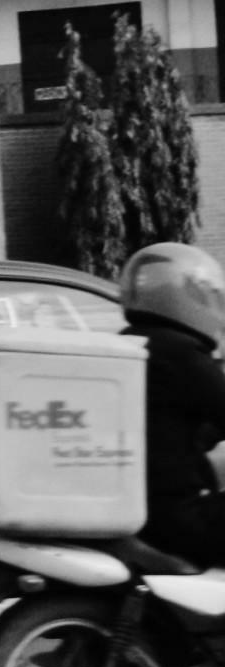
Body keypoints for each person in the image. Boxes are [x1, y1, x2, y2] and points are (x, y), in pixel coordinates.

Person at [120, 242, 225, 567]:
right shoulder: (182, 354)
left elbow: (169, 425)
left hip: (138, 515)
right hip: (180, 519)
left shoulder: (130, 343)